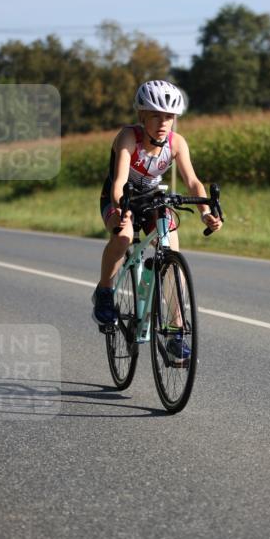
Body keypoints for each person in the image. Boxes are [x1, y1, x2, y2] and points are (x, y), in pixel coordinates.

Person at [92, 80, 221, 361]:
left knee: (172, 252)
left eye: (169, 117)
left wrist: (205, 212)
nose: (163, 123)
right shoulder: (128, 137)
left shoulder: (177, 143)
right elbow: (119, 182)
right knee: (124, 236)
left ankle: (175, 332)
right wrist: (121, 207)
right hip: (119, 197)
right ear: (142, 116)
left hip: (152, 198)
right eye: (156, 116)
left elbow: (193, 182)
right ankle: (104, 291)